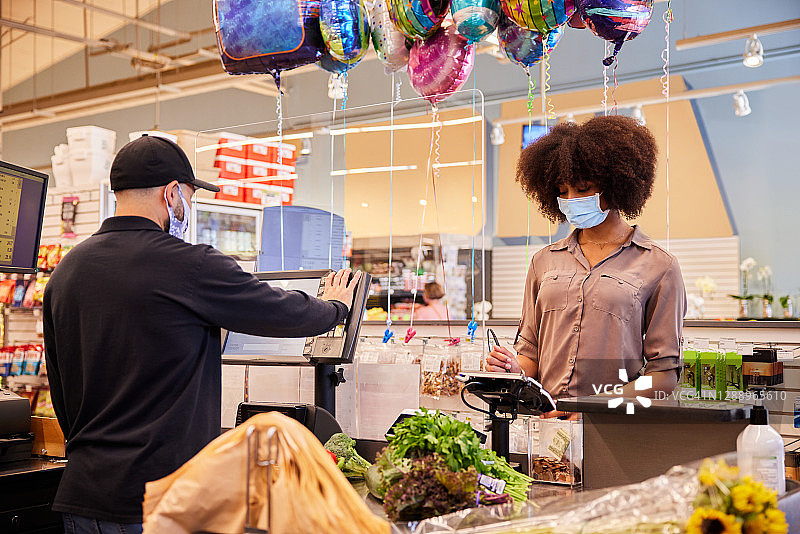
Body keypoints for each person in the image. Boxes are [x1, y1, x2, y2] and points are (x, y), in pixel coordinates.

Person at [42, 135, 362, 533]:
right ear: (172, 193)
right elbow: (282, 312)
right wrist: (335, 307)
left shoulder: (67, 271)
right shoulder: (188, 265)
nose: (187, 209)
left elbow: (60, 389)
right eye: (189, 198)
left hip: (85, 494)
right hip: (160, 498)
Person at [486, 116, 686, 411]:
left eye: (582, 188)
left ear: (615, 185)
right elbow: (530, 352)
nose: (571, 199)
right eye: (562, 191)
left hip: (612, 432)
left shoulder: (659, 266)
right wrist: (512, 369)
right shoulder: (544, 262)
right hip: (546, 425)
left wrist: (596, 410)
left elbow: (664, 375)